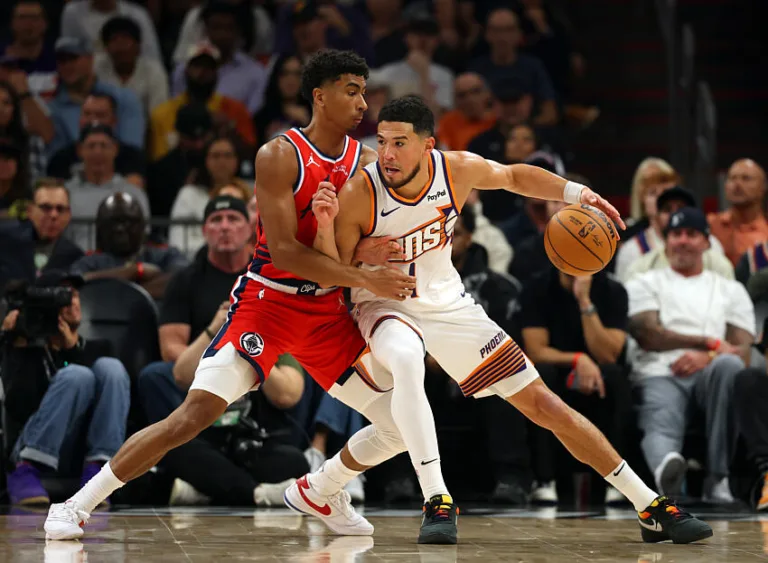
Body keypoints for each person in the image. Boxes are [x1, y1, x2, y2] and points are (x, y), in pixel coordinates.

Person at [298, 94, 712, 545]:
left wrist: (578, 193)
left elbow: (514, 176)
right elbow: (330, 268)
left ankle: (648, 504)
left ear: (428, 145)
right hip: (385, 303)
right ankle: (437, 498)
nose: (387, 153)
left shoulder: (455, 169)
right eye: (382, 141)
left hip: (449, 305)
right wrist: (358, 251)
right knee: (406, 360)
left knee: (545, 405)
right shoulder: (361, 192)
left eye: (399, 143)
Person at [43, 48, 415, 542]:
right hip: (270, 303)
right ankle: (76, 504)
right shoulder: (279, 155)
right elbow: (286, 253)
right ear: (320, 96)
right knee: (192, 416)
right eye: (352, 91)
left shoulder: (365, 162)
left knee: (400, 422)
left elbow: (359, 239)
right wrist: (365, 277)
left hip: (327, 310)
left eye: (364, 92)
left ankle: (323, 488)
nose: (363, 103)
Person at [0, 270, 130, 505]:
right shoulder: (29, 350)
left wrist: (72, 352)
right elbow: (18, 407)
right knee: (77, 375)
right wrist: (18, 346)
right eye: (64, 296)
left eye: (76, 295)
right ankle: (25, 468)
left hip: (79, 454)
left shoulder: (100, 348)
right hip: (32, 447)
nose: (73, 302)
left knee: (111, 368)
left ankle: (100, 470)